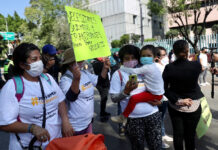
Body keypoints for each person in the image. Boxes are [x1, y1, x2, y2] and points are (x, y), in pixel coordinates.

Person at [0, 43, 73, 150]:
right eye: (34, 59)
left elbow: (60, 101)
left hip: (56, 144)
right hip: (29, 146)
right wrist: (32, 128)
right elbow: (4, 124)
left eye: (40, 58)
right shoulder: (12, 87)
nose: (39, 62)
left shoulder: (48, 78)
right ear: (22, 65)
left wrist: (65, 121)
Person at [110, 45, 162, 150]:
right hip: (133, 120)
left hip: (153, 115)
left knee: (156, 146)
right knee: (137, 147)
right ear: (121, 59)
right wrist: (126, 92)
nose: (130, 61)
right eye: (127, 58)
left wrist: (159, 101)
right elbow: (114, 98)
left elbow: (156, 87)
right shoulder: (118, 74)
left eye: (133, 58)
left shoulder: (145, 69)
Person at [163, 40, 204, 150]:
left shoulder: (169, 68)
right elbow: (200, 68)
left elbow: (164, 89)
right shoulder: (196, 66)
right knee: (190, 136)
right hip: (193, 104)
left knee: (178, 135)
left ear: (174, 52)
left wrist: (178, 100)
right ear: (187, 50)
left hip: (175, 105)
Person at [59, 48, 110, 135]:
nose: (82, 62)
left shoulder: (85, 73)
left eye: (81, 60)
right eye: (78, 61)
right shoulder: (65, 80)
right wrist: (76, 79)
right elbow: (71, 97)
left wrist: (105, 68)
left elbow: (100, 81)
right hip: (75, 126)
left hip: (88, 123)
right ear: (70, 63)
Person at [155, 46, 173, 149]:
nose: (166, 56)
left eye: (166, 54)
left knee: (162, 117)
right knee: (159, 118)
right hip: (159, 97)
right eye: (163, 55)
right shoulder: (156, 67)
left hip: (165, 96)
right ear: (157, 57)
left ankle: (163, 134)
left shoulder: (163, 65)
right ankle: (159, 140)